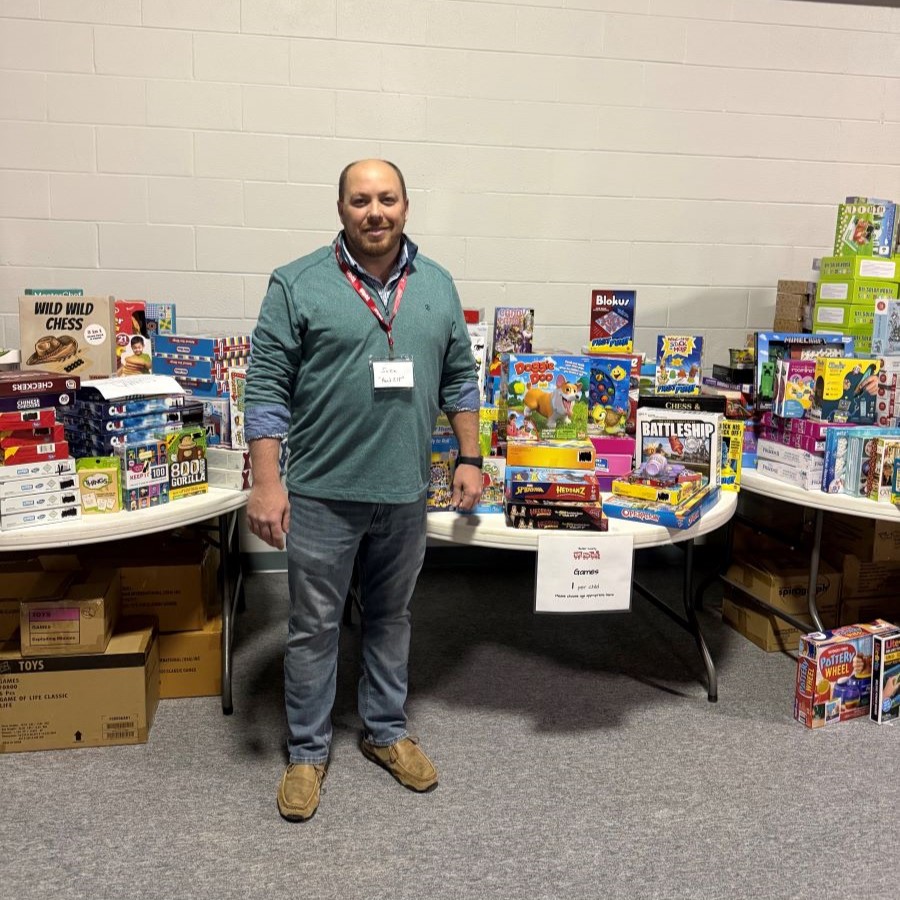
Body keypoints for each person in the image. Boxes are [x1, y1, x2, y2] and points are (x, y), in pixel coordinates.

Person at [244, 159, 483, 823]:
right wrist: (267, 482)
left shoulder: (435, 285)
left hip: (405, 494)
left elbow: (460, 378)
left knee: (391, 617)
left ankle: (384, 731)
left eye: (387, 198)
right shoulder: (297, 284)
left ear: (406, 206)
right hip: (322, 493)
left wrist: (470, 454)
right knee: (314, 626)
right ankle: (306, 749)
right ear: (342, 209)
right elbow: (264, 388)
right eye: (360, 200)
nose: (374, 211)